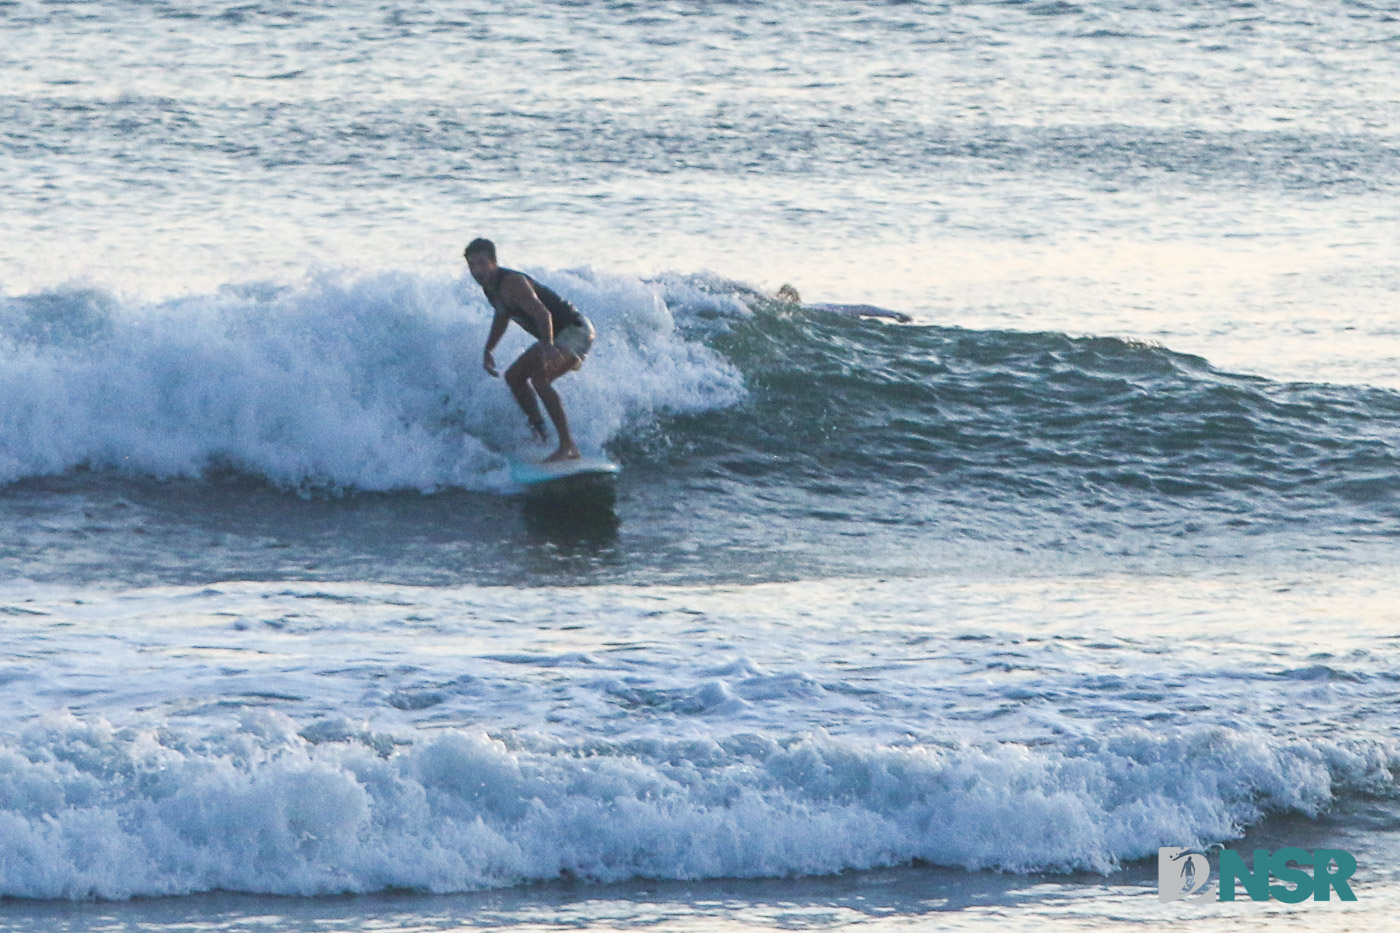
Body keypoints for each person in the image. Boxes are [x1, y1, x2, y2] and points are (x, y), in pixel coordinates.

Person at [465, 238, 595, 462]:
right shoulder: (490, 288)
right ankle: (541, 433)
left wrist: (547, 346)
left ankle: (568, 446)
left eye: (482, 264)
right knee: (514, 377)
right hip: (554, 335)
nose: (477, 271)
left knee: (540, 379)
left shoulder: (513, 283)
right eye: (472, 265)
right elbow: (502, 316)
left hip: (575, 330)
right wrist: (489, 349)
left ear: (494, 262)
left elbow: (543, 314)